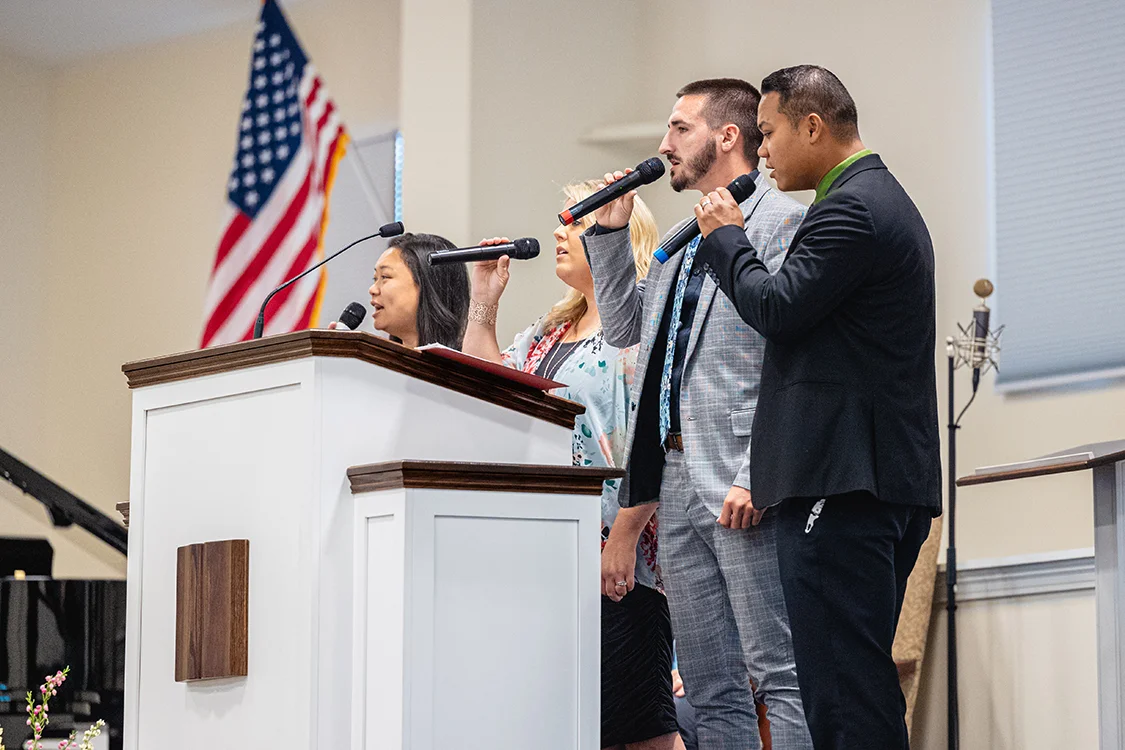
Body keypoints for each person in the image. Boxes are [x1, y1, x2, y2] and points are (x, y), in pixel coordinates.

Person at [691, 65, 942, 749]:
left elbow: (777, 307)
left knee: (841, 694)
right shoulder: (872, 199)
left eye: (767, 133)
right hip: (870, 479)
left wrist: (725, 238)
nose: (762, 151)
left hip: (844, 480)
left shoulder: (852, 207)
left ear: (811, 125)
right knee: (849, 688)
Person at [585, 79, 811, 750]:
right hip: (675, 478)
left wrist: (757, 470)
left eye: (679, 128)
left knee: (778, 675)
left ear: (727, 136)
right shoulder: (681, 240)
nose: (663, 144)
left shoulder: (781, 224)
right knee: (712, 688)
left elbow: (791, 366)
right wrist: (610, 230)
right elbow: (627, 330)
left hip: (742, 480)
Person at [460, 182, 683, 750]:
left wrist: (626, 536)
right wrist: (484, 301)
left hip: (615, 549)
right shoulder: (551, 329)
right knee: (581, 725)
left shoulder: (633, 324)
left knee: (643, 729)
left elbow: (652, 436)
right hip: (549, 549)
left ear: (616, 231)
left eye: (575, 221)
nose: (560, 231)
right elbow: (494, 392)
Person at [344, 232, 470, 349]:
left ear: (428, 285)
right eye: (375, 278)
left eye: (385, 277)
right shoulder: (378, 365)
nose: (372, 289)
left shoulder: (464, 366)